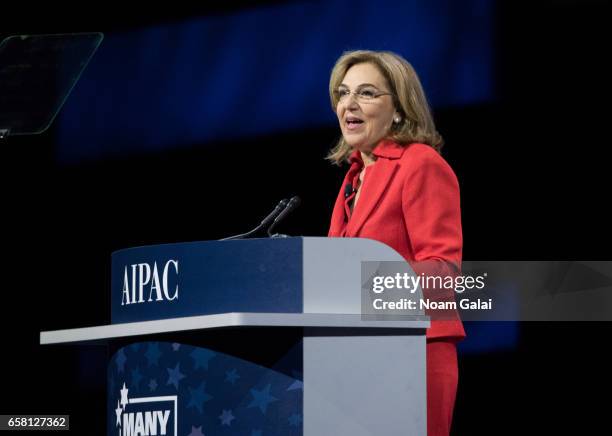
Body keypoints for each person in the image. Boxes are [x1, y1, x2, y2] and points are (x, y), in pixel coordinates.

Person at [327, 50, 465, 436]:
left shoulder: (420, 164)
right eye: (342, 93)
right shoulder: (353, 179)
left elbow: (443, 272)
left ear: (400, 109)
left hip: (412, 352)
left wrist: (361, 287)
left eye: (367, 93)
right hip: (354, 358)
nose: (349, 104)